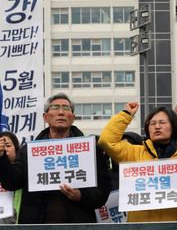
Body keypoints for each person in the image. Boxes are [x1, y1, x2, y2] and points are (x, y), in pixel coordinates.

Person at [0, 93, 111, 223]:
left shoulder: (91, 149)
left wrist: (81, 195)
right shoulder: (28, 151)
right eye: (55, 107)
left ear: (73, 117)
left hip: (79, 229)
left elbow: (103, 191)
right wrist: (2, 159)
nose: (61, 112)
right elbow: (12, 183)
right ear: (45, 117)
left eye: (66, 108)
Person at [98, 102, 177, 222]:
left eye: (162, 122)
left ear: (174, 126)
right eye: (152, 123)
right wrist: (126, 115)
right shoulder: (135, 153)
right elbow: (106, 141)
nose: (157, 127)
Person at [0, 131, 22, 223]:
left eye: (8, 145)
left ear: (16, 148)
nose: (4, 149)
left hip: (17, 224)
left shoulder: (23, 171)